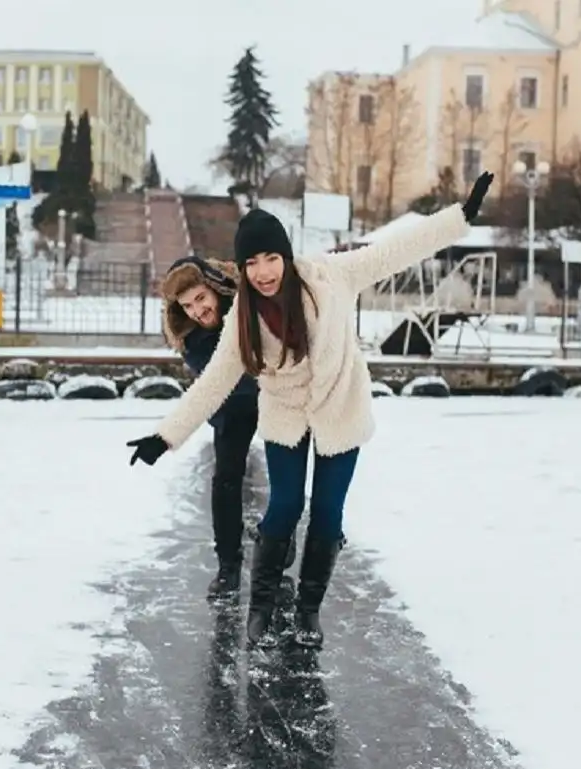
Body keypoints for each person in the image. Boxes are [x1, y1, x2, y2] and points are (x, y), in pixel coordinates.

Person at [128, 172, 494, 649]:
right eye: (252, 263)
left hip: (341, 407)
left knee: (327, 513)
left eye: (271, 258)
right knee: (284, 506)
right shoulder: (243, 314)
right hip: (285, 414)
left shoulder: (331, 276)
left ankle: (307, 611)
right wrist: (165, 436)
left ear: (286, 256)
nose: (262, 272)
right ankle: (260, 608)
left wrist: (458, 218)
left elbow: (395, 250)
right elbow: (213, 381)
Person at [158, 256, 294, 600]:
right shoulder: (191, 337)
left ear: (217, 289)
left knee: (287, 474)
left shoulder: (250, 310)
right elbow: (230, 381)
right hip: (232, 405)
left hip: (274, 397)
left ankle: (276, 548)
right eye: (187, 305)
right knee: (226, 480)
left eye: (201, 299)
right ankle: (228, 566)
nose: (196, 311)